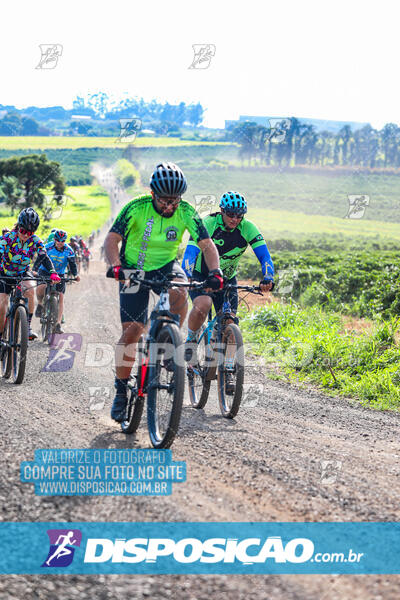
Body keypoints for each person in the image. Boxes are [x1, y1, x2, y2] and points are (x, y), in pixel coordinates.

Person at [104, 161, 222, 422]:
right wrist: (115, 266)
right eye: (164, 200)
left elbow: (207, 244)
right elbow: (112, 239)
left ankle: (169, 339)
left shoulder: (187, 211)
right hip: (133, 270)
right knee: (133, 331)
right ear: (152, 193)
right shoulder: (135, 207)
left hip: (166, 267)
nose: (169, 206)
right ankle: (121, 392)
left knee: (181, 290)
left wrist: (215, 272)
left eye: (174, 200)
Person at [182, 191, 274, 378]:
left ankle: (229, 370)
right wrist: (188, 275)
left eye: (239, 215)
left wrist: (268, 276)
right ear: (222, 211)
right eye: (230, 214)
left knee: (230, 321)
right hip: (201, 275)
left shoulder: (248, 228)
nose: (234, 219)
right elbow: (190, 253)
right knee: (202, 307)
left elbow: (264, 255)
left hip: (227, 279)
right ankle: (191, 339)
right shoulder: (208, 224)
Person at [0, 208, 60, 340]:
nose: (26, 235)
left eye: (30, 232)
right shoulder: (7, 238)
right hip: (5, 274)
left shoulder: (35, 240)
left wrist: (53, 272)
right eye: (23, 231)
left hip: (22, 273)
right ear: (18, 227)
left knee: (30, 290)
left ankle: (27, 327)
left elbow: (44, 256)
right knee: (2, 306)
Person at [34, 229, 80, 334]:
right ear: (54, 239)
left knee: (61, 297)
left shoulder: (69, 250)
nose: (60, 243)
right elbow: (40, 258)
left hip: (59, 273)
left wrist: (76, 275)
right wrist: (35, 270)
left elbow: (72, 264)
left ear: (65, 241)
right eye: (58, 240)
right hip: (45, 270)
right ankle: (40, 304)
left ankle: (58, 324)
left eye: (62, 241)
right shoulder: (47, 247)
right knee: (41, 287)